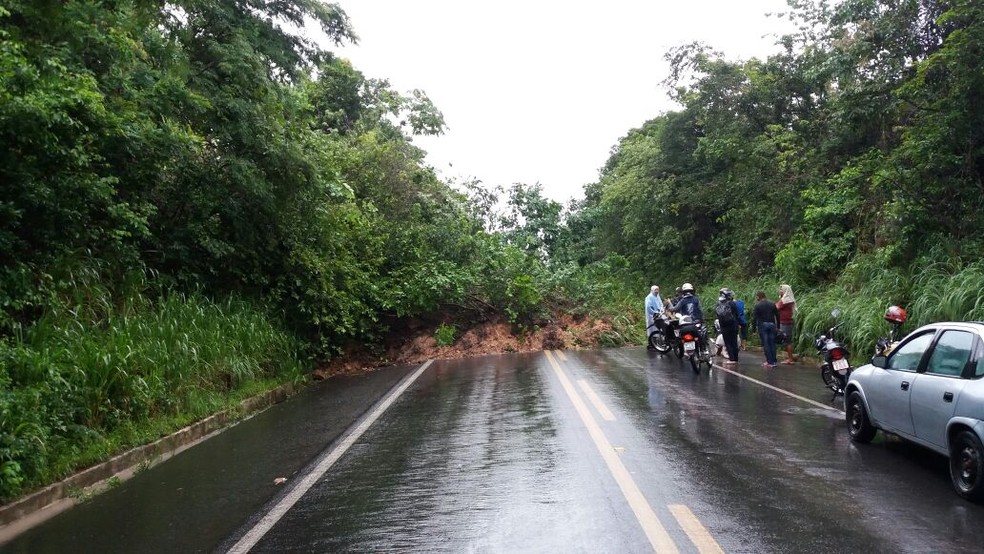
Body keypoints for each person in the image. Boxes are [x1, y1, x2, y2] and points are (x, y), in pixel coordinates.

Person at [752, 290, 780, 367]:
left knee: (766, 343)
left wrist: (754, 330)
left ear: (758, 297)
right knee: (772, 343)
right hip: (772, 325)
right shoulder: (772, 304)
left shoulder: (758, 305)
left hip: (763, 325)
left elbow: (754, 318)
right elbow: (777, 315)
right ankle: (774, 361)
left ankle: (769, 361)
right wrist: (778, 327)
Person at [715, 288, 741, 365]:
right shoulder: (733, 303)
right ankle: (735, 358)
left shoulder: (719, 304)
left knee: (728, 342)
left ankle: (731, 359)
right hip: (734, 325)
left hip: (725, 326)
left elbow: (718, 314)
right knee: (734, 342)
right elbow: (737, 314)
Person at [776, 284, 797, 364]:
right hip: (786, 321)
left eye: (781, 289)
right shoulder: (787, 299)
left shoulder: (785, 300)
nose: (780, 291)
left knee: (787, 340)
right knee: (787, 340)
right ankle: (789, 357)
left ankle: (790, 359)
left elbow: (776, 307)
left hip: (785, 322)